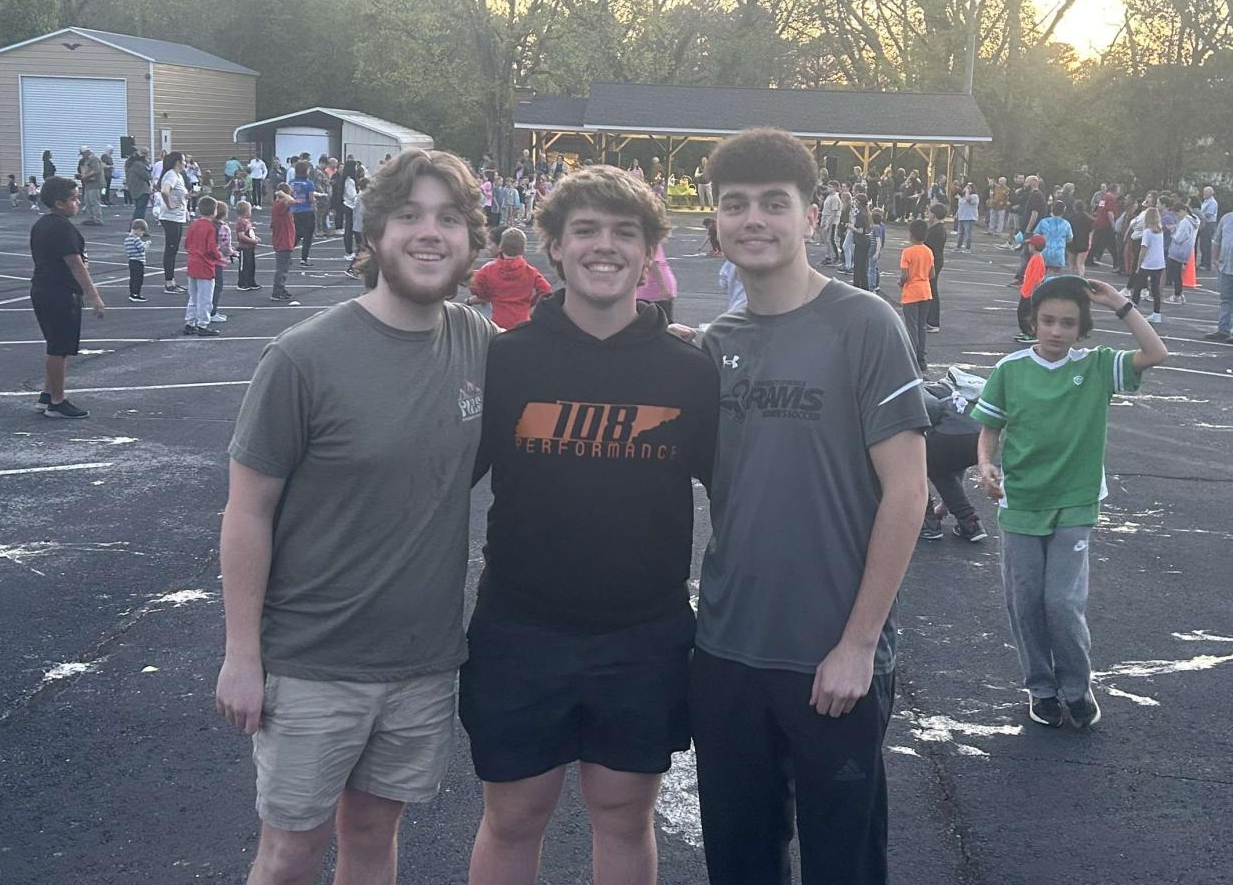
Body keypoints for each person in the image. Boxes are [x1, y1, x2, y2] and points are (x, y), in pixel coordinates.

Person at [215, 149, 492, 885]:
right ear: (374, 234)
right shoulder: (302, 358)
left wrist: (664, 343)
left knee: (372, 835)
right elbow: (247, 511)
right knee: (290, 854)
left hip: (422, 662)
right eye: (409, 216)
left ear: (470, 239)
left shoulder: (477, 342)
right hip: (312, 663)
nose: (429, 232)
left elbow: (571, 362)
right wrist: (242, 655)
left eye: (449, 218)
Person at [462, 164, 717, 885]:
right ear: (555, 246)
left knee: (623, 815)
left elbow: (740, 495)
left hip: (642, 635)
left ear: (648, 251)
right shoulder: (505, 361)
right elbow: (434, 482)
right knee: (514, 816)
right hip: (520, 630)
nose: (604, 246)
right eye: (585, 230)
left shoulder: (689, 371)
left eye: (624, 232)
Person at [692, 128, 928, 885]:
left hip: (832, 656)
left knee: (843, 865)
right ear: (716, 221)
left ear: (811, 217)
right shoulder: (714, 345)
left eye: (774, 203)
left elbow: (908, 491)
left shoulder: (864, 323)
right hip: (728, 651)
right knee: (740, 863)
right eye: (735, 204)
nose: (753, 219)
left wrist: (858, 644)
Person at [974, 276, 1167, 728]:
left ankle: (1077, 688)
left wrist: (1119, 302)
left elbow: (1156, 353)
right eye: (1047, 321)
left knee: (1062, 602)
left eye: (1068, 323)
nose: (1056, 331)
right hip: (1021, 502)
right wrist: (984, 464)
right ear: (1032, 321)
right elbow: (990, 428)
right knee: (1025, 603)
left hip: (1075, 502)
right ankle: (1041, 688)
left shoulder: (1097, 366)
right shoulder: (1010, 369)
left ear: (1082, 328)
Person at [28, 177, 107, 418]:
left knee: (55, 344)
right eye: (74, 199)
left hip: (42, 288)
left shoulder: (42, 224)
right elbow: (75, 264)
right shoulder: (62, 228)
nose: (78, 203)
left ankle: (47, 394)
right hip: (59, 292)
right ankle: (58, 401)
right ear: (59, 203)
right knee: (59, 347)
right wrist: (94, 296)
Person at [918, 372, 987, 543]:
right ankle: (970, 523)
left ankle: (928, 521)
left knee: (912, 465)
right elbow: (956, 465)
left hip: (950, 437)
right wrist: (946, 504)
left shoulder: (917, 392)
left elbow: (930, 409)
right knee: (945, 467)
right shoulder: (947, 389)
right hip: (981, 437)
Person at [468, 226, 552, 329]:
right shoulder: (531, 272)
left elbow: (476, 285)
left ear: (501, 247)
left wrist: (485, 295)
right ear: (523, 249)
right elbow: (546, 290)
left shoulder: (488, 270)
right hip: (521, 321)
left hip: (496, 321)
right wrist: (530, 303)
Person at [182, 197, 222, 337]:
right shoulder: (210, 227)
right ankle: (203, 324)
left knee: (193, 297)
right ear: (214, 211)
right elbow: (211, 248)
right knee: (205, 298)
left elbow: (187, 243)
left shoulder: (194, 224)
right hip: (205, 265)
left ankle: (189, 322)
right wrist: (218, 256)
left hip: (192, 263)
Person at [900, 219, 935, 372]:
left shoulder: (907, 252)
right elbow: (932, 274)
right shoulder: (928, 251)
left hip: (911, 293)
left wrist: (901, 282)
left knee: (911, 326)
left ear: (911, 234)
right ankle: (921, 358)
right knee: (921, 326)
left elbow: (905, 275)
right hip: (925, 291)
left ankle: (912, 357)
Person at [159, 152, 190, 293]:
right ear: (177, 162)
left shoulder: (179, 176)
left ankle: (171, 281)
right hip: (171, 217)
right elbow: (164, 191)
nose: (185, 163)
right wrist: (170, 204)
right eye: (183, 161)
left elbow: (177, 193)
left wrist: (187, 196)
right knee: (171, 250)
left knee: (174, 249)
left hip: (178, 217)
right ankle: (169, 282)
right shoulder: (171, 174)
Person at [1129, 207, 1166, 323]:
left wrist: (1138, 265)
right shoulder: (1160, 230)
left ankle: (1133, 307)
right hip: (1159, 263)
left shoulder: (1147, 232)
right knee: (1155, 289)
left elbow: (1143, 249)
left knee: (1138, 286)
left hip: (1148, 263)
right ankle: (1156, 313)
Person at [1205, 207, 1233, 342]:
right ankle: (1223, 330)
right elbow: (1217, 240)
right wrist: (1214, 259)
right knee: (1225, 299)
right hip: (1226, 267)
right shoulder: (1226, 218)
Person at [1014, 234, 1047, 343]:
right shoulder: (1036, 258)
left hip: (1029, 293)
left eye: (1030, 244)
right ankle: (1026, 331)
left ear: (1033, 246)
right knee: (1024, 313)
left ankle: (1030, 333)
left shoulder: (1037, 260)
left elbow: (1035, 278)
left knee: (1024, 313)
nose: (1028, 246)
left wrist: (1030, 291)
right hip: (1027, 291)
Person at [1166, 202, 1198, 306]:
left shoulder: (1185, 222)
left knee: (1174, 274)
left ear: (1182, 211)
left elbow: (1179, 238)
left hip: (1177, 251)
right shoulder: (1192, 220)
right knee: (1176, 273)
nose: (1177, 216)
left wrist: (1172, 234)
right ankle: (1178, 294)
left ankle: (1178, 295)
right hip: (1184, 251)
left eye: (1177, 214)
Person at [270, 182, 295, 302]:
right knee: (282, 268)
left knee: (285, 266)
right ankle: (277, 291)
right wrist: (282, 194)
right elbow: (292, 201)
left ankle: (281, 287)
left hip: (286, 241)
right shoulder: (279, 205)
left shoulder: (280, 206)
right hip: (283, 241)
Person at [290, 160, 318, 267]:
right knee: (307, 236)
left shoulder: (292, 182)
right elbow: (311, 199)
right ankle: (304, 258)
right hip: (307, 211)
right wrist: (315, 199)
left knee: (296, 234)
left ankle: (288, 252)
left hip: (295, 211)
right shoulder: (309, 183)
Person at [924, 202, 947, 332]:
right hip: (936, 260)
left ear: (934, 215)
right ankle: (930, 319)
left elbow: (927, 246)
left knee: (931, 290)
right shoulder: (940, 229)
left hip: (933, 262)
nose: (928, 215)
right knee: (931, 289)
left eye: (930, 213)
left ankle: (932, 321)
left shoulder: (934, 231)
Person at [1034, 200, 1073, 276]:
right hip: (1058, 252)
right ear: (1063, 211)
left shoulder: (1044, 222)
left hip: (1045, 251)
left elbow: (1036, 235)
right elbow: (1070, 239)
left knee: (1041, 274)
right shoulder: (1066, 224)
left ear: (1052, 209)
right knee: (1055, 276)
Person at [211, 200, 234, 324]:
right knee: (217, 287)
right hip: (218, 260)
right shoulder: (224, 228)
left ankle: (208, 311)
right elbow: (225, 245)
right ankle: (212, 311)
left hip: (207, 260)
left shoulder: (209, 225)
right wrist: (232, 252)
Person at [1088, 183, 1119, 269]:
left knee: (1096, 242)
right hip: (1106, 224)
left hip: (1099, 222)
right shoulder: (1111, 198)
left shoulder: (1103, 197)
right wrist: (1113, 225)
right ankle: (1116, 263)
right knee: (1112, 244)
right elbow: (1110, 212)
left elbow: (1099, 209)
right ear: (1115, 190)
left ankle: (1089, 259)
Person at [233, 200, 261, 291]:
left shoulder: (247, 222)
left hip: (250, 247)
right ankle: (242, 283)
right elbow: (241, 236)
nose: (251, 212)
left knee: (251, 266)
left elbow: (249, 233)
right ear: (245, 212)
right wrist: (253, 241)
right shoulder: (241, 222)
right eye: (250, 210)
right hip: (244, 248)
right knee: (244, 266)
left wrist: (255, 238)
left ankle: (251, 281)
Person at [123, 218, 151, 302]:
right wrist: (146, 244)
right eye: (142, 232)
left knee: (133, 278)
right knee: (138, 279)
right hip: (138, 261)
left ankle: (132, 293)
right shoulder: (136, 239)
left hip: (131, 261)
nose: (142, 235)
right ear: (139, 230)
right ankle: (136, 294)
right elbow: (142, 248)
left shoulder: (127, 239)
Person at [77, 147, 104, 226]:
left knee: (94, 202)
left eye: (83, 154)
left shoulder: (94, 159)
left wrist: (85, 176)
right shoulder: (87, 160)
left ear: (87, 152)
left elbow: (96, 171)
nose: (82, 156)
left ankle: (98, 219)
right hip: (88, 184)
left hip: (95, 184)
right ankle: (91, 218)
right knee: (88, 202)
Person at [1067, 200, 1093, 276]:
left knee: (1072, 264)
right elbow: (1091, 229)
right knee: (1081, 264)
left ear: (1074, 207)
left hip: (1072, 242)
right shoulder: (1088, 218)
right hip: (1084, 242)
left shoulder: (1071, 217)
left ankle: (1071, 278)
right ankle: (1081, 277)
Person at [126, 150, 153, 222]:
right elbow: (147, 176)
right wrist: (148, 167)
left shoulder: (131, 165)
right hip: (142, 190)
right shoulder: (139, 165)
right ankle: (138, 226)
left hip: (135, 189)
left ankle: (135, 225)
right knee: (140, 211)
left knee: (138, 209)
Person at [1198, 186, 1218, 270]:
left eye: (1206, 192)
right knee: (1202, 244)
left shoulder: (1212, 202)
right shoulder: (1206, 201)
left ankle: (1207, 264)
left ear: (1210, 193)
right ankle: (1203, 262)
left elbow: (1209, 214)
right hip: (1204, 224)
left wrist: (1199, 214)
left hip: (1209, 224)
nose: (1204, 194)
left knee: (1206, 244)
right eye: (1204, 192)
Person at [955, 182, 979, 250]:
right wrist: (956, 215)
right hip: (961, 217)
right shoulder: (962, 197)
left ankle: (967, 248)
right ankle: (958, 246)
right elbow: (960, 206)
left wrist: (967, 191)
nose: (966, 189)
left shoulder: (974, 196)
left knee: (967, 233)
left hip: (969, 217)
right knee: (960, 233)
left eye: (969, 188)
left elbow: (968, 200)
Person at [869, 208, 886, 292]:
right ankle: (875, 284)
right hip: (876, 249)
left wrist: (877, 252)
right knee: (874, 267)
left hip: (873, 249)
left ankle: (872, 286)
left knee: (871, 269)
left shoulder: (876, 228)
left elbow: (879, 241)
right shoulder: (881, 226)